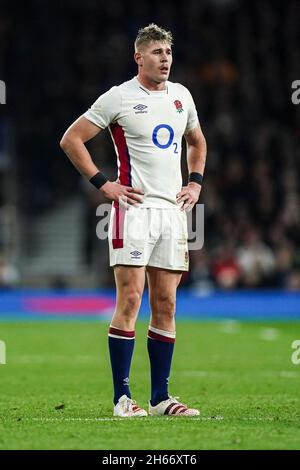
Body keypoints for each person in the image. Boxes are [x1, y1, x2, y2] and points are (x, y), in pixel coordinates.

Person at [60, 23, 207, 417]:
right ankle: (122, 399)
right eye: (157, 52)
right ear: (138, 56)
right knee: (130, 299)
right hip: (133, 210)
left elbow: (197, 140)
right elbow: (71, 139)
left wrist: (194, 183)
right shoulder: (119, 97)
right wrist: (104, 184)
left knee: (167, 303)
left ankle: (160, 398)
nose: (165, 60)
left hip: (173, 213)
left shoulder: (181, 96)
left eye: (169, 53)